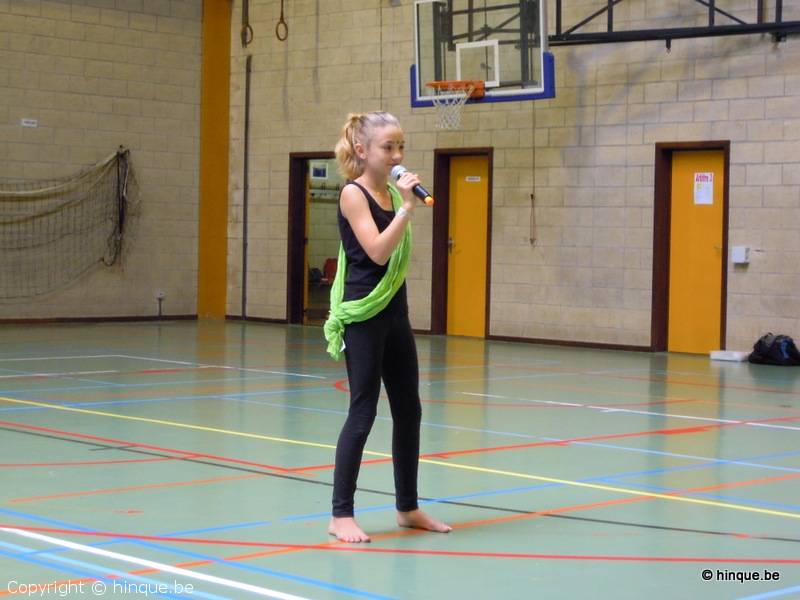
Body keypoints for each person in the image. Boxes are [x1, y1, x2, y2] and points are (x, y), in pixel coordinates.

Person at [324, 111, 452, 543]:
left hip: (395, 312)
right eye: (388, 147)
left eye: (401, 147)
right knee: (363, 411)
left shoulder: (393, 196)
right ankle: (341, 515)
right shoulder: (353, 194)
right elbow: (377, 252)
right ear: (363, 151)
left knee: (409, 410)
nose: (397, 155)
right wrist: (408, 207)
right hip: (364, 313)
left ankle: (407, 507)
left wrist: (402, 203)